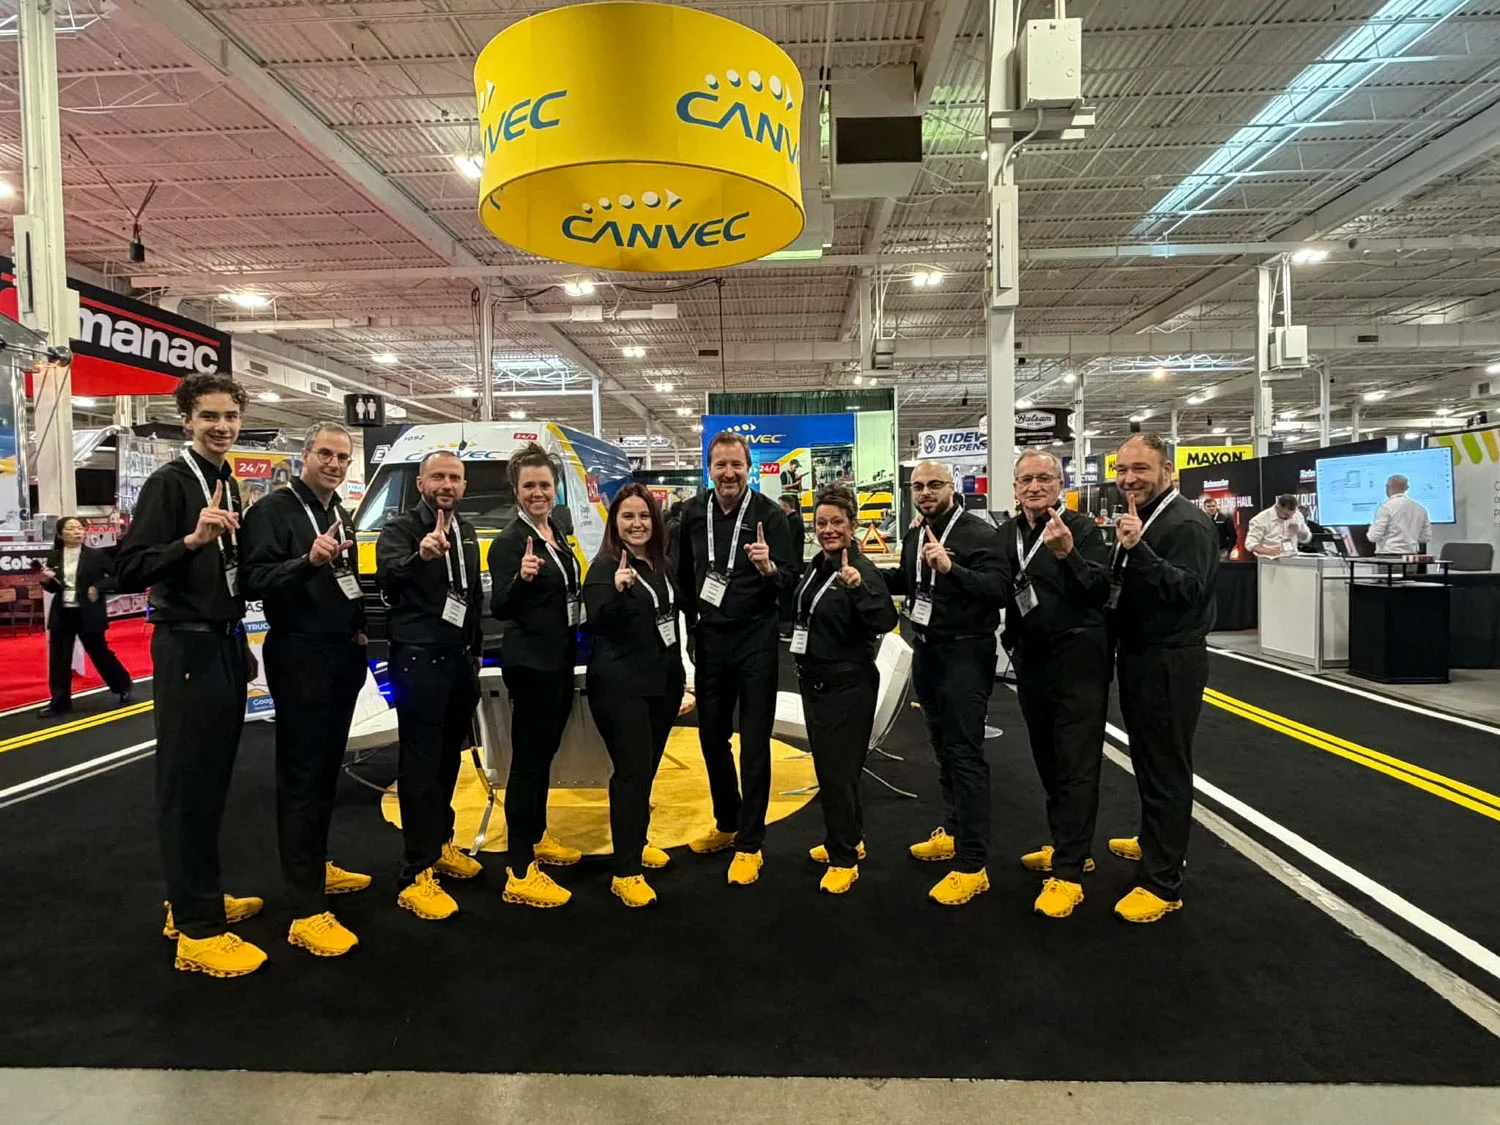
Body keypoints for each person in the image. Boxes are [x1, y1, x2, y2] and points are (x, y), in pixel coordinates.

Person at [115, 373, 265, 978]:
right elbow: (128, 567)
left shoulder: (227, 481)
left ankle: (197, 899)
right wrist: (190, 540)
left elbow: (227, 571)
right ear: (187, 420)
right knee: (186, 786)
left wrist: (241, 638)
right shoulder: (170, 483)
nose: (221, 427)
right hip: (185, 648)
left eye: (230, 416)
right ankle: (197, 931)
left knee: (212, 781)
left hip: (222, 643)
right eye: (209, 416)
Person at [240, 421, 371, 959]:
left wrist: (360, 627)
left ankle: (316, 866)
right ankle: (304, 907)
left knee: (324, 773)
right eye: (325, 454)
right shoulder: (273, 511)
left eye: (342, 457)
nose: (334, 464)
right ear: (305, 454)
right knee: (300, 778)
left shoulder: (339, 510)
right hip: (299, 655)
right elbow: (251, 580)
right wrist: (307, 562)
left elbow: (346, 580)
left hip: (341, 654)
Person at [881, 460, 1009, 906]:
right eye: (918, 486)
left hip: (965, 654)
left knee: (965, 755)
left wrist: (952, 568)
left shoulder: (980, 534)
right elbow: (908, 581)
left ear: (953, 488)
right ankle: (954, 832)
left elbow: (999, 590)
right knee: (941, 749)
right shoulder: (917, 533)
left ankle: (973, 864)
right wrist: (861, 572)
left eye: (934, 484)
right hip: (928, 650)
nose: (925, 492)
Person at [674, 429, 794, 886]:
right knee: (711, 737)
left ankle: (750, 843)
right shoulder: (691, 513)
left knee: (755, 742)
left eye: (736, 465)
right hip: (710, 640)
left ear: (749, 468)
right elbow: (683, 577)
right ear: (709, 469)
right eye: (720, 465)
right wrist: (689, 629)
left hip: (755, 640)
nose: (728, 473)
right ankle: (728, 821)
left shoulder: (770, 515)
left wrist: (769, 568)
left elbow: (791, 580)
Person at [1108, 433, 1219, 924]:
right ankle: (1157, 841)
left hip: (1170, 661)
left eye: (1140, 469)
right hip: (1140, 654)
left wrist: (1140, 551)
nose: (1129, 478)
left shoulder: (1187, 524)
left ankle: (1163, 881)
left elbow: (1188, 591)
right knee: (1149, 761)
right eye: (1122, 470)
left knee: (1167, 767)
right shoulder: (1147, 516)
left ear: (1168, 471)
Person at [1002, 451, 1113, 919]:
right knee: (1047, 758)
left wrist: (1068, 554)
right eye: (1026, 479)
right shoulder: (1008, 533)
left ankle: (1068, 873)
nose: (1034, 486)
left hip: (1078, 660)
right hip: (1032, 661)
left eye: (1044, 477)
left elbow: (1100, 591)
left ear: (1061, 484)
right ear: (1014, 488)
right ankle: (1067, 845)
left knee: (1076, 763)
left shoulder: (1083, 530)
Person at [376, 450, 485, 922]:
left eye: (455, 478)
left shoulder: (466, 530)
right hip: (419, 659)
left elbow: (471, 596)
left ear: (464, 485)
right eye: (438, 476)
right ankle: (415, 871)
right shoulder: (400, 529)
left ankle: (441, 843)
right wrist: (419, 557)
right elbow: (387, 579)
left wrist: (475, 650)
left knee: (446, 762)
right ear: (421, 482)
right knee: (419, 767)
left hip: (458, 659)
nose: (447, 484)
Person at [487, 442, 584, 908]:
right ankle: (520, 869)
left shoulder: (555, 530)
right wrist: (521, 579)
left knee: (543, 757)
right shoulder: (510, 542)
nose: (538, 492)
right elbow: (500, 607)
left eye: (545, 484)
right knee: (527, 763)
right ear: (516, 490)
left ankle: (537, 835)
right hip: (531, 665)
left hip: (559, 658)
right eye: (529, 486)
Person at [583, 484, 685, 908]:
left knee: (646, 772)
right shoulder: (605, 567)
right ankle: (625, 872)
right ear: (615, 523)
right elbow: (597, 622)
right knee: (631, 774)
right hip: (620, 687)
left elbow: (669, 617)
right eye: (628, 516)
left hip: (662, 684)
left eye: (644, 516)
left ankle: (637, 843)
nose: (637, 524)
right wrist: (618, 590)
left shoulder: (661, 563)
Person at [791, 484, 897, 895]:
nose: (829, 529)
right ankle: (849, 838)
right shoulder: (819, 564)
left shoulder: (861, 569)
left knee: (838, 774)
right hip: (816, 681)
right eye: (822, 523)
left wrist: (857, 588)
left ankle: (844, 859)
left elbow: (885, 620)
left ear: (852, 525)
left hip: (847, 685)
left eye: (837, 522)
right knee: (833, 771)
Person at [37, 516, 134, 718]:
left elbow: (117, 577)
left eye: (80, 528)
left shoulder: (96, 555)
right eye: (71, 528)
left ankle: (123, 686)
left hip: (88, 611)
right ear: (61, 534)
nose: (77, 532)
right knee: (59, 658)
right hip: (63, 612)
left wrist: (98, 587)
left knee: (99, 653)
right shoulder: (54, 556)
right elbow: (54, 588)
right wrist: (46, 581)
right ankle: (59, 701)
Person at [1368, 474, 1432, 555]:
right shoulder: (1421, 509)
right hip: (1411, 556)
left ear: (1387, 487)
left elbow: (1373, 537)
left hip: (1388, 556)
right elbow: (1426, 538)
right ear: (1407, 488)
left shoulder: (1385, 507)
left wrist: (1371, 528)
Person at [777, 493, 806, 639]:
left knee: (789, 598)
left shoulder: (794, 521)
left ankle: (790, 629)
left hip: (793, 565)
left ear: (786, 506)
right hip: (791, 563)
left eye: (780, 506)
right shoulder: (791, 520)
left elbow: (787, 541)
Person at [1245, 495, 1311, 558]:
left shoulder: (1297, 515)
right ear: (1278, 507)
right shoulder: (1260, 519)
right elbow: (1250, 543)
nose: (1290, 517)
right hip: (1268, 560)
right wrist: (1268, 551)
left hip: (1292, 558)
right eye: (1286, 515)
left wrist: (1299, 532)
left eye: (1292, 514)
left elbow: (1306, 538)